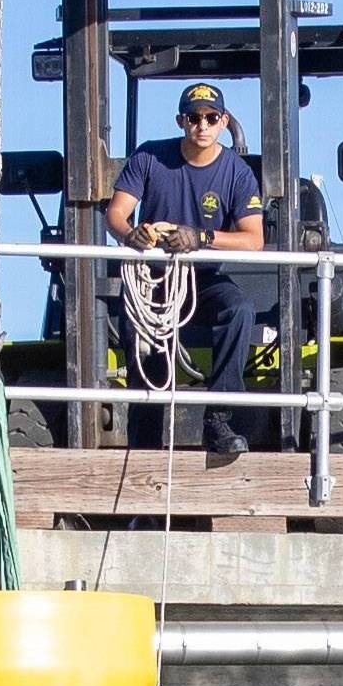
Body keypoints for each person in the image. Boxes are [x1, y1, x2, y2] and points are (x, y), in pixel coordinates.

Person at [103, 83, 270, 459]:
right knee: (142, 335)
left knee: (239, 309)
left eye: (211, 118)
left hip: (204, 279)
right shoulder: (149, 156)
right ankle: (144, 446)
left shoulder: (237, 172)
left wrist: (202, 238)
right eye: (194, 118)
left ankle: (220, 420)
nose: (202, 125)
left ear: (223, 122)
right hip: (153, 281)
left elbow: (253, 238)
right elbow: (115, 213)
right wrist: (133, 235)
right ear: (181, 121)